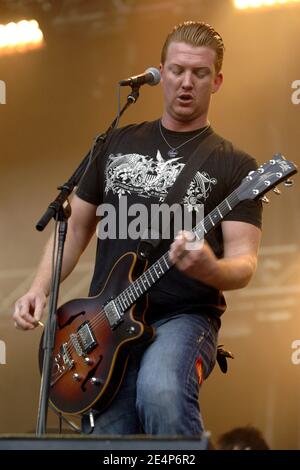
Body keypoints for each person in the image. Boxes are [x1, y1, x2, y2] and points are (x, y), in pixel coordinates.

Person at [13, 21, 262, 436]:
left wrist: (208, 269)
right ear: (160, 72)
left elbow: (244, 262)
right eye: (177, 70)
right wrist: (39, 288)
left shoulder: (235, 165)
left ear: (216, 81)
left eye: (199, 74)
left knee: (160, 390)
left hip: (184, 316)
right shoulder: (115, 144)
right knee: (110, 432)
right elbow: (73, 229)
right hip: (107, 321)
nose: (186, 82)